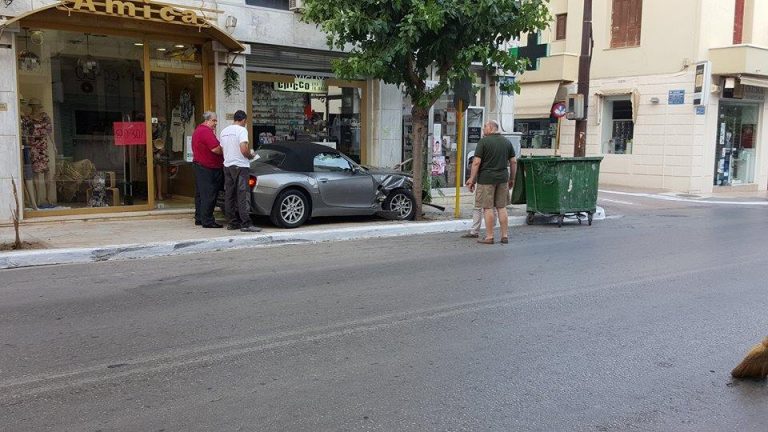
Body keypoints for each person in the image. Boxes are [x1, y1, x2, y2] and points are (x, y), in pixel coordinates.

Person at [465, 120, 516, 244]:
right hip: (503, 178)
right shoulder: (506, 142)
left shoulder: (484, 142)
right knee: (501, 207)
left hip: (486, 179)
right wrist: (512, 179)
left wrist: (471, 179)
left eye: (485, 127)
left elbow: (476, 162)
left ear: (491, 128)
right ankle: (504, 236)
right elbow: (514, 161)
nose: (483, 129)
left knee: (487, 208)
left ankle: (489, 236)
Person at [220, 110, 261, 232]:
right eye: (245, 121)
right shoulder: (242, 130)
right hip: (240, 166)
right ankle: (246, 223)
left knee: (229, 195)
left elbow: (223, 149)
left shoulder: (224, 131)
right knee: (243, 194)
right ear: (243, 120)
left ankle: (232, 223)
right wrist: (251, 156)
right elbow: (244, 149)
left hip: (227, 165)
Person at [192, 111, 224, 228]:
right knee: (209, 194)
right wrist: (225, 150)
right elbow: (215, 149)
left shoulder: (198, 130)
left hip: (200, 166)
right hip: (207, 168)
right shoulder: (206, 131)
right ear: (207, 120)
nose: (216, 123)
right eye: (214, 120)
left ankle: (199, 218)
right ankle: (208, 220)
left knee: (200, 194)